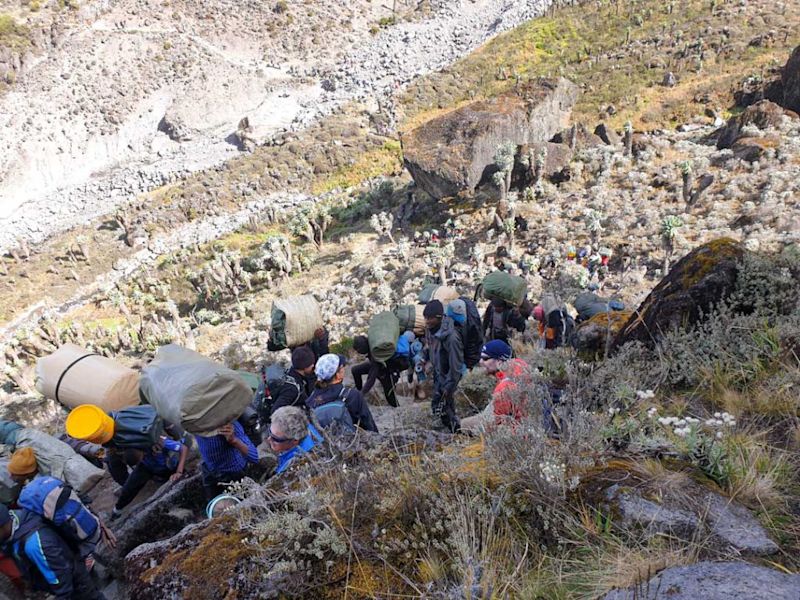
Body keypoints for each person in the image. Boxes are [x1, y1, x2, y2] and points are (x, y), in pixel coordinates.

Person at [0, 504, 106, 600]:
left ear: (3, 526)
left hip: (75, 583)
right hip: (71, 568)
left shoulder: (33, 545)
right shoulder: (19, 517)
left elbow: (60, 576)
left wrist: (62, 596)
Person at [110, 434, 188, 518]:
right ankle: (117, 509)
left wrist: (179, 472)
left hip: (167, 467)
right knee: (130, 487)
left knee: (178, 483)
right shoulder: (133, 449)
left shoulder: (158, 442)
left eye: (142, 457)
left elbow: (183, 448)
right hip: (147, 466)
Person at [460, 340, 530, 433]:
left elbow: (494, 421)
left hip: (517, 431)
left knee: (464, 425)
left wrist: (462, 425)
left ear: (499, 362)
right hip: (527, 423)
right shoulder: (520, 366)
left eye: (486, 359)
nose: (481, 362)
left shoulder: (504, 387)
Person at [422, 299, 465, 433]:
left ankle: (458, 432)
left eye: (430, 318)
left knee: (446, 407)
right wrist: (425, 360)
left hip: (448, 378)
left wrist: (449, 386)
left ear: (440, 317)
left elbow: (456, 365)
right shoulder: (431, 330)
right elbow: (430, 347)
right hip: (438, 375)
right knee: (439, 407)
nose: (427, 321)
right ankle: (451, 432)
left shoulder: (452, 338)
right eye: (425, 318)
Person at [306, 354, 379, 433]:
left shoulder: (310, 400)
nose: (344, 368)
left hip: (324, 443)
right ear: (338, 375)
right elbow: (369, 425)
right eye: (342, 367)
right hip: (351, 442)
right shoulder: (352, 395)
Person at [194, 421, 258, 501]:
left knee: (240, 505)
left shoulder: (229, 425)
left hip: (233, 472)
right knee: (213, 504)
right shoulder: (193, 422)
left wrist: (234, 440)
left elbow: (254, 457)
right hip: (209, 468)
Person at [351, 334, 411, 408]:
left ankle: (398, 408)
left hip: (388, 370)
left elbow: (371, 379)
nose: (358, 352)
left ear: (362, 349)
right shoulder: (372, 342)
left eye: (358, 350)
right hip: (379, 366)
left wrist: (361, 395)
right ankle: (358, 389)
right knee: (355, 370)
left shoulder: (375, 354)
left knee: (389, 395)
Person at [269, 406, 323, 475]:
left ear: (295, 440)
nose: (269, 439)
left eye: (275, 438)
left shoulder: (291, 466)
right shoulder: (303, 426)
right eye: (269, 432)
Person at [269, 346, 317, 416]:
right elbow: (275, 412)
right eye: (310, 364)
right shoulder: (292, 389)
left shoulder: (289, 371)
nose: (313, 365)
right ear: (304, 367)